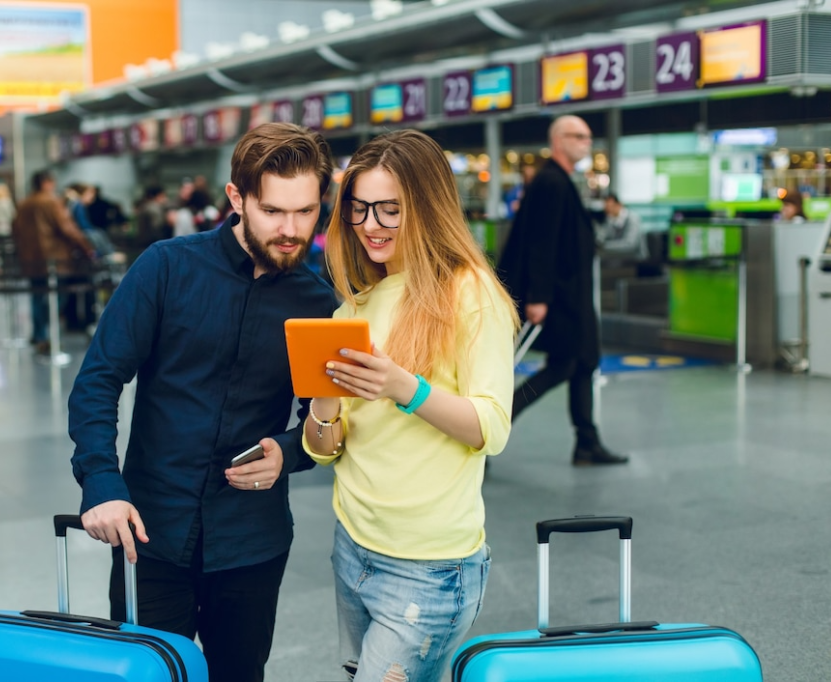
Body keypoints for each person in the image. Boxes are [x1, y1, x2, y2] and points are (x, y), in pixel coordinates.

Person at [67, 122, 336, 682]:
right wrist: (102, 483)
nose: (291, 230)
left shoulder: (317, 302)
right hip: (149, 534)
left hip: (252, 542)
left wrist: (289, 452)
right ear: (237, 198)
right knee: (146, 676)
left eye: (306, 212)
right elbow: (98, 379)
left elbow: (326, 421)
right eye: (273, 211)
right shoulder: (166, 267)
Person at [303, 129, 517, 682]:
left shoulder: (470, 293)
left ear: (426, 207)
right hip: (352, 548)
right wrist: (324, 403)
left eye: (390, 209)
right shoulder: (352, 311)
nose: (370, 224)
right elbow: (325, 452)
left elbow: (491, 428)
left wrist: (406, 388)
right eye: (359, 208)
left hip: (429, 569)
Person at [498, 115, 629, 466]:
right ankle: (490, 424)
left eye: (588, 137)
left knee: (583, 362)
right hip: (558, 297)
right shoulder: (551, 182)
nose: (587, 142)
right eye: (579, 136)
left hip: (570, 295)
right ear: (558, 140)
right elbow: (541, 243)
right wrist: (538, 297)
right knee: (566, 364)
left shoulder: (559, 180)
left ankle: (587, 442)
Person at [11, 170, 95, 354]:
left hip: (30, 258)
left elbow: (15, 229)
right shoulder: (52, 202)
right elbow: (67, 228)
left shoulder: (24, 204)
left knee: (36, 295)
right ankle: (46, 333)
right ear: (46, 183)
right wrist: (87, 247)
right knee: (56, 296)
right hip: (54, 258)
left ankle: (39, 334)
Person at [598, 192, 647, 260]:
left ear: (619, 205)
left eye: (610, 207)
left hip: (635, 259)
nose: (608, 210)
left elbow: (630, 245)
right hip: (619, 258)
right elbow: (602, 236)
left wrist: (604, 246)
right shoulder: (610, 219)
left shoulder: (632, 219)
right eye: (606, 208)